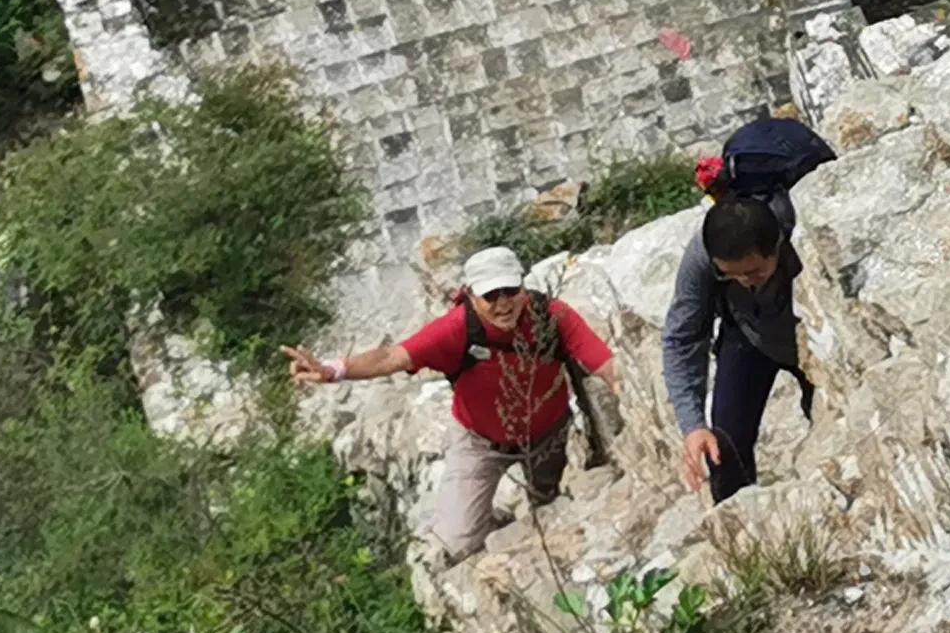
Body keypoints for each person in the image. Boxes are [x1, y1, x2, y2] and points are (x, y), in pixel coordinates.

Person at [284, 246, 616, 565]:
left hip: (547, 434)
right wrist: (334, 370)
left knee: (548, 506)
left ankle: (523, 517)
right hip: (479, 442)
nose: (503, 304)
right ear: (472, 296)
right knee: (456, 543)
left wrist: (641, 387)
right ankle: (486, 519)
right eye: (490, 296)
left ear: (523, 287)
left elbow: (603, 363)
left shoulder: (551, 317)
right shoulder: (458, 328)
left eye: (510, 290)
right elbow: (392, 357)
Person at [667, 192, 815, 503]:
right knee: (725, 446)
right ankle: (742, 528)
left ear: (776, 246)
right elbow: (682, 338)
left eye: (753, 272)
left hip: (811, 336)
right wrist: (693, 425)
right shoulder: (702, 256)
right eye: (729, 274)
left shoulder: (804, 239)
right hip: (749, 333)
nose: (745, 281)